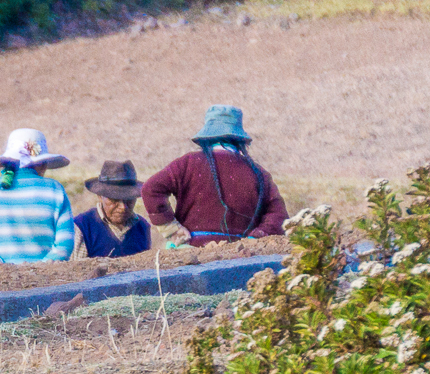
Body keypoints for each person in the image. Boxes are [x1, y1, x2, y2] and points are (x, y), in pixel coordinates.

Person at [140, 105, 286, 247]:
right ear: (239, 140)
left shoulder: (187, 163)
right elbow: (278, 216)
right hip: (239, 257)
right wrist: (255, 238)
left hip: (189, 252)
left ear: (206, 137)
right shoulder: (259, 173)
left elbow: (150, 189)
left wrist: (172, 230)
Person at [0, 129, 75, 265]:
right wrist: (39, 270)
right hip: (45, 283)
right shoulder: (55, 191)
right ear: (42, 163)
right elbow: (65, 245)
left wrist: (0, 270)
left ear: (7, 162)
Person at [72, 161, 152, 259]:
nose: (123, 207)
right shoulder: (82, 227)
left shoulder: (142, 227)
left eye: (129, 200)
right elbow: (76, 270)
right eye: (114, 200)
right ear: (100, 197)